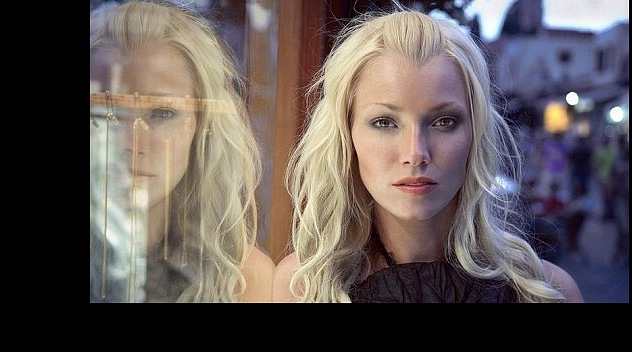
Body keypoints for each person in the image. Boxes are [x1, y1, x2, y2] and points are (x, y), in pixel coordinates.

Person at [272, 8, 583, 302]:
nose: (416, 153)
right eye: (385, 122)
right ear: (347, 134)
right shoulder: (303, 288)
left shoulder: (544, 291)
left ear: (475, 134)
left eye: (444, 122)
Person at [90, 0, 274, 302]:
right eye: (107, 112)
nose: (130, 142)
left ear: (201, 127)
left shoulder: (245, 281)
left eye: (162, 113)